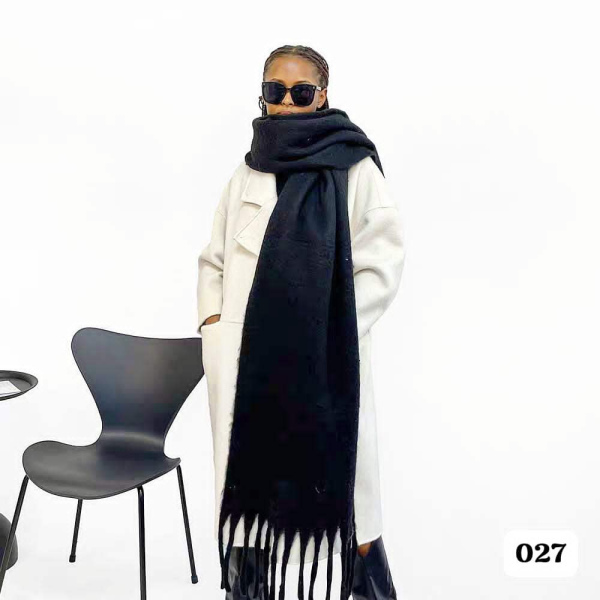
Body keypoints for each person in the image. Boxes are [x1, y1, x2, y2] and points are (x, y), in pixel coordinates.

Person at [197, 45, 405, 599]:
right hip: (247, 359)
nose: (287, 102)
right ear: (262, 95)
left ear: (322, 96)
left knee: (349, 493)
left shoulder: (354, 167)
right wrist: (214, 323)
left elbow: (382, 264)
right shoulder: (247, 171)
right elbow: (214, 259)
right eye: (275, 90)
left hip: (324, 358)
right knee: (246, 491)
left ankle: (369, 588)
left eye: (301, 91)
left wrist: (324, 326)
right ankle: (247, 591)